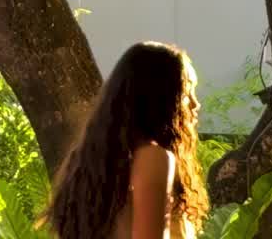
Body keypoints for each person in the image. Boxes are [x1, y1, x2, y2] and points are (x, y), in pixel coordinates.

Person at [41, 41, 209, 239]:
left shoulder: (90, 164)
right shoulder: (152, 157)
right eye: (187, 91)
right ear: (162, 98)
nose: (195, 104)